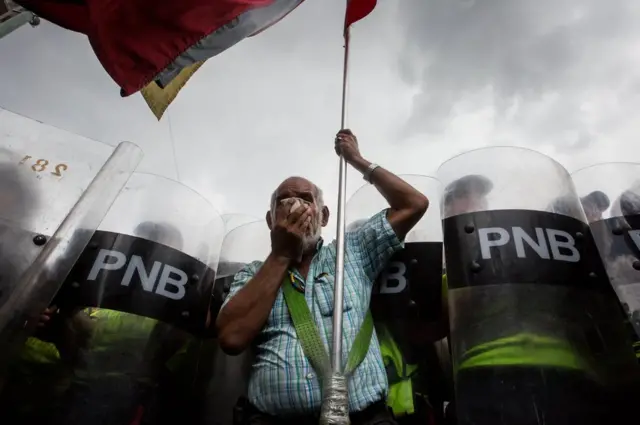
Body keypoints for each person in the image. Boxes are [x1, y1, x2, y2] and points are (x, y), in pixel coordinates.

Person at [216, 129, 429, 425]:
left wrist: (357, 160)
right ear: (271, 220)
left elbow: (414, 204)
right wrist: (281, 254)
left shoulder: (353, 251)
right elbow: (231, 337)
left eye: (305, 199)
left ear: (324, 217)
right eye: (283, 200)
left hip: (364, 418)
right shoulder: (252, 274)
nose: (294, 205)